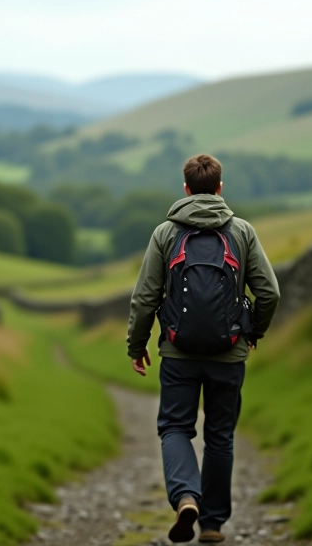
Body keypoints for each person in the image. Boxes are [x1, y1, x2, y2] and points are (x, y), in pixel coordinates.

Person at [126, 153, 281, 543]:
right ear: (219, 188)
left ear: (185, 189)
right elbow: (270, 292)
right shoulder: (241, 231)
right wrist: (252, 331)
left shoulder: (165, 233)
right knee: (220, 435)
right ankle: (212, 524)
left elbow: (145, 297)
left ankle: (186, 497)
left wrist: (137, 344)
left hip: (178, 353)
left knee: (176, 427)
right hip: (229, 353)